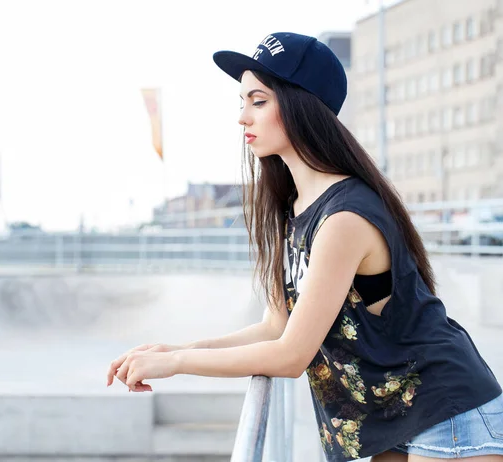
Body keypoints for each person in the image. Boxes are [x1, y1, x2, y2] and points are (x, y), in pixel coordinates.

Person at [107, 32, 503, 461]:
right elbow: (276, 325)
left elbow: (291, 354)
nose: (243, 117)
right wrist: (175, 350)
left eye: (258, 101)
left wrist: (178, 366)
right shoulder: (292, 207)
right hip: (393, 416)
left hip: (447, 411)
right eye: (241, 103)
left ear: (301, 106)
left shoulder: (345, 217)